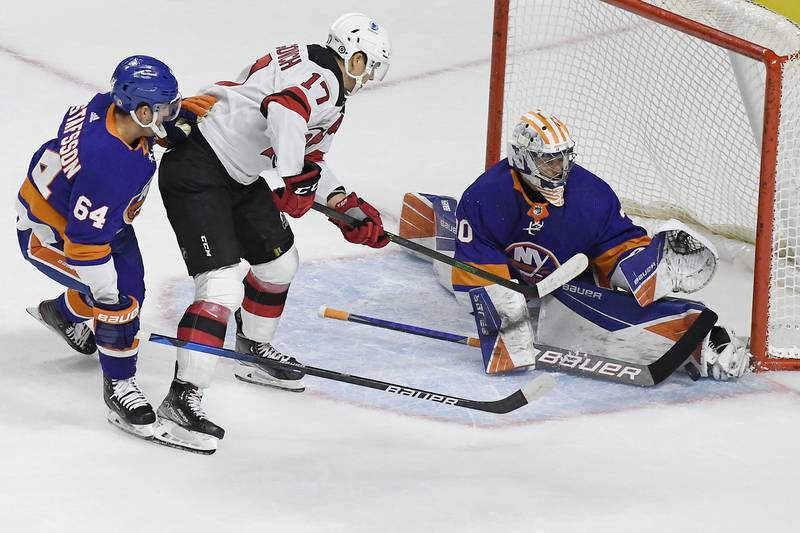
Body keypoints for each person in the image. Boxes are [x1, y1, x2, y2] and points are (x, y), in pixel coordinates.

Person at [154, 12, 391, 453]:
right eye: (365, 63)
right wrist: (293, 177)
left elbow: (304, 151)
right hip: (199, 168)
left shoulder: (321, 77)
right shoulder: (324, 80)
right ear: (349, 55)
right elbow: (284, 110)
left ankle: (252, 350)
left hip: (239, 174)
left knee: (280, 263)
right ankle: (181, 398)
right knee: (221, 285)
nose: (367, 75)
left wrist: (342, 203)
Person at [400, 109, 750, 380]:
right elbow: (476, 270)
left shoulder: (591, 195)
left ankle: (696, 333)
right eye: (548, 160)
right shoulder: (486, 195)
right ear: (522, 158)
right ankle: (434, 215)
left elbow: (616, 241)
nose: (560, 168)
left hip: (562, 283)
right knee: (452, 272)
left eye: (564, 157)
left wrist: (636, 266)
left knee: (600, 304)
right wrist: (507, 312)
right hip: (500, 277)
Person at [17, 55, 182, 439]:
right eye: (164, 109)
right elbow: (84, 246)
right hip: (52, 235)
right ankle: (119, 386)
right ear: (140, 110)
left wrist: (171, 123)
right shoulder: (109, 165)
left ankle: (62, 313)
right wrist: (110, 301)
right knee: (120, 299)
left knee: (131, 291)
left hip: (98, 220)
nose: (171, 115)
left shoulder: (107, 109)